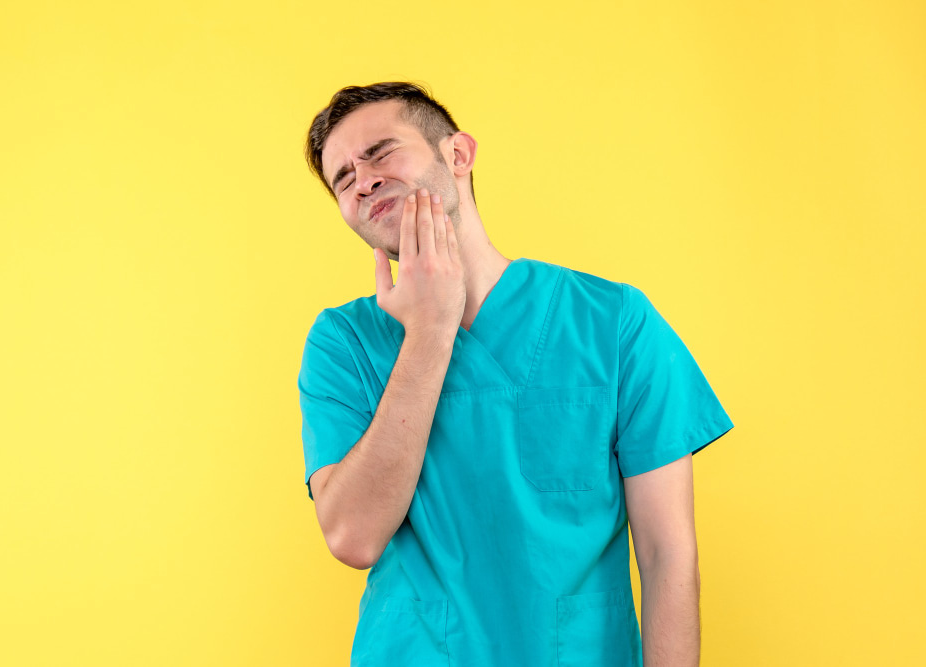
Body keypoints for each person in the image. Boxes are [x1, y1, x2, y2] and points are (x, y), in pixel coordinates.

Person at [298, 81, 734, 667]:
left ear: (458, 155)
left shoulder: (614, 322)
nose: (364, 180)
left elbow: (666, 553)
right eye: (343, 179)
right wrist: (429, 331)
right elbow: (352, 536)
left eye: (380, 152)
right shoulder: (344, 343)